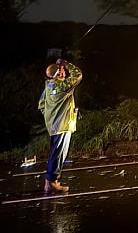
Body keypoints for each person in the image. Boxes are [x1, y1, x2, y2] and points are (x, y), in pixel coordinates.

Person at [38, 58, 82, 193]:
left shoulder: (48, 86)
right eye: (62, 70)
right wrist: (67, 63)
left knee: (55, 154)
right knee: (58, 155)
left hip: (53, 126)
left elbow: (41, 105)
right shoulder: (62, 87)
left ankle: (49, 182)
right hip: (62, 125)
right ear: (58, 74)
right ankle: (52, 182)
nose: (64, 71)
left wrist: (50, 117)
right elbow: (78, 75)